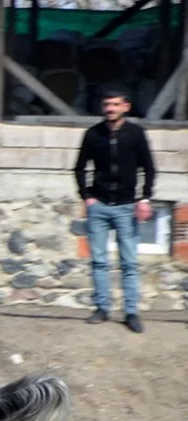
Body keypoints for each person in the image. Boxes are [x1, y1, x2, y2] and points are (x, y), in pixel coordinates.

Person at [73, 85, 155, 334]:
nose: (110, 109)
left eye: (115, 104)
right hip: (98, 205)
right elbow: (79, 168)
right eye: (107, 104)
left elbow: (149, 168)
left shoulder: (136, 134)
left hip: (126, 206)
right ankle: (101, 308)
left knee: (129, 262)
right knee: (99, 261)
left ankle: (131, 312)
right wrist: (86, 197)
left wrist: (145, 198)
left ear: (125, 107)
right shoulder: (93, 134)